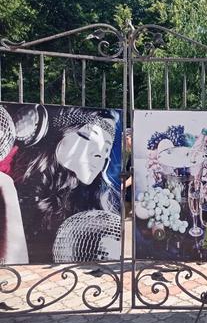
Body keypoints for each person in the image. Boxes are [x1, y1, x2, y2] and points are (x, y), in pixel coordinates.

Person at [0, 104, 119, 264]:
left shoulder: (94, 209)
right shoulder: (8, 167)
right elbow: (13, 267)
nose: (99, 154)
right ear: (59, 133)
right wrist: (7, 189)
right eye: (87, 137)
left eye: (106, 150)